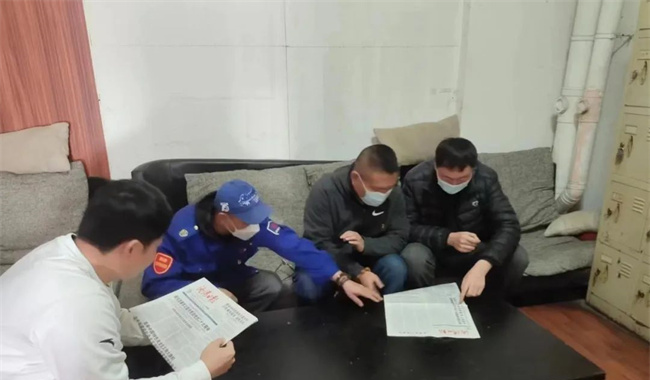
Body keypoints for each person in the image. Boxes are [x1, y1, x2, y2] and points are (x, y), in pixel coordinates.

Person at [0, 180, 235, 380]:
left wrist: (194, 312)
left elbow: (114, 320)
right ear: (132, 248)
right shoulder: (76, 304)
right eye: (157, 247)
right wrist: (203, 372)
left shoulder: (65, 252)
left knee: (149, 358)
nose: (157, 255)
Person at [141, 179, 381, 311]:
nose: (256, 224)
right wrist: (207, 294)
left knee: (271, 285)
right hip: (191, 290)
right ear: (223, 218)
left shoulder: (253, 223)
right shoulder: (182, 232)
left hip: (230, 279)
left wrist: (343, 279)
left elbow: (297, 247)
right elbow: (154, 284)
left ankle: (241, 328)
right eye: (248, 219)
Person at [401, 138, 528, 300]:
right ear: (435, 166)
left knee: (518, 257)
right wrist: (447, 238)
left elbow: (509, 225)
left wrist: (484, 263)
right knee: (413, 256)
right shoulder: (415, 179)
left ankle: (494, 305)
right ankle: (428, 304)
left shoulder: (486, 177)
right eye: (447, 178)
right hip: (432, 248)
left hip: (474, 248)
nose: (454, 183)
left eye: (462, 179)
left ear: (473, 170)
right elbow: (406, 227)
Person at [301, 144, 409, 300]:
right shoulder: (326, 190)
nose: (385, 194)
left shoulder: (394, 192)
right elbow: (318, 243)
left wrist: (366, 245)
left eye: (389, 188)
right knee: (308, 282)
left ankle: (381, 313)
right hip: (331, 259)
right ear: (355, 178)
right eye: (378, 189)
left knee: (395, 267)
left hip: (370, 257)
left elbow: (399, 237)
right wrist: (358, 272)